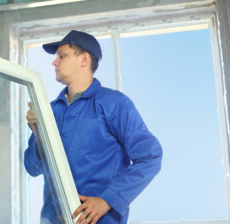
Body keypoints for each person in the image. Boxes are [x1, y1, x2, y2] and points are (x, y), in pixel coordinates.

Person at [24, 30, 163, 224]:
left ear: (84, 60)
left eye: (62, 56)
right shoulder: (48, 112)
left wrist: (107, 199)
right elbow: (33, 168)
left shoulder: (114, 104)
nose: (54, 62)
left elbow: (150, 157)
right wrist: (38, 134)